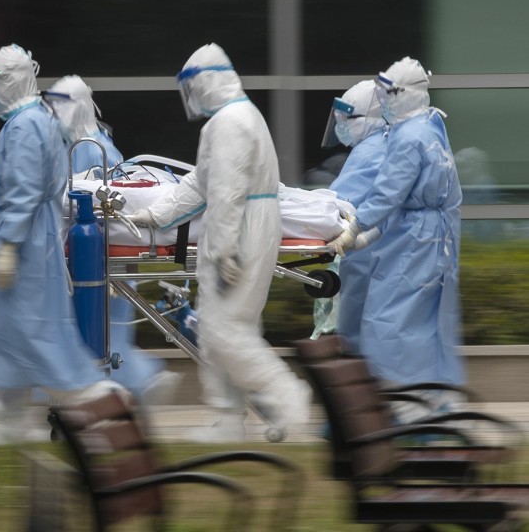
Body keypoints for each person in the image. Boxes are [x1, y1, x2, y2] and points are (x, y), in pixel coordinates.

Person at [126, 43, 311, 442]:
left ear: (207, 80)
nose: (192, 98)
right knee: (222, 329)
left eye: (192, 87)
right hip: (245, 222)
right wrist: (156, 214)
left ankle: (289, 398)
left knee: (224, 331)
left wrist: (224, 249)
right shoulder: (235, 117)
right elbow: (201, 181)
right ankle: (229, 419)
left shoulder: (229, 122)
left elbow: (226, 192)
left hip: (242, 226)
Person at [0, 44, 122, 446]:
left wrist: (7, 246)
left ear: (11, 82)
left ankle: (102, 408)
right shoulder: (38, 120)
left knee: (39, 337)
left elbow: (23, 191)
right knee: (12, 336)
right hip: (36, 238)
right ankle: (8, 422)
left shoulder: (23, 127)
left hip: (26, 244)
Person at [329, 57, 464, 420]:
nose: (384, 99)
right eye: (381, 92)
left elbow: (389, 193)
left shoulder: (407, 136)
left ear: (409, 93)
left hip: (415, 239)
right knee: (423, 319)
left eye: (390, 92)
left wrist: (357, 227)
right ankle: (433, 402)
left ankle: (410, 410)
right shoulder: (431, 124)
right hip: (431, 235)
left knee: (391, 320)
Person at [46, 75, 183, 406]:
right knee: (105, 336)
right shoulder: (79, 147)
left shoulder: (96, 151)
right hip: (93, 256)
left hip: (102, 258)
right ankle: (139, 384)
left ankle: (145, 381)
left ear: (78, 106)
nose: (53, 114)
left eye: (59, 105)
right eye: (50, 106)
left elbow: (103, 206)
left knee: (105, 336)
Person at [317, 79, 389, 347]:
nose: (341, 126)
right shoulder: (382, 144)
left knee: (358, 341)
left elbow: (338, 204)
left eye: (348, 119)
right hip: (375, 255)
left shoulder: (369, 152)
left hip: (366, 259)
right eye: (338, 119)